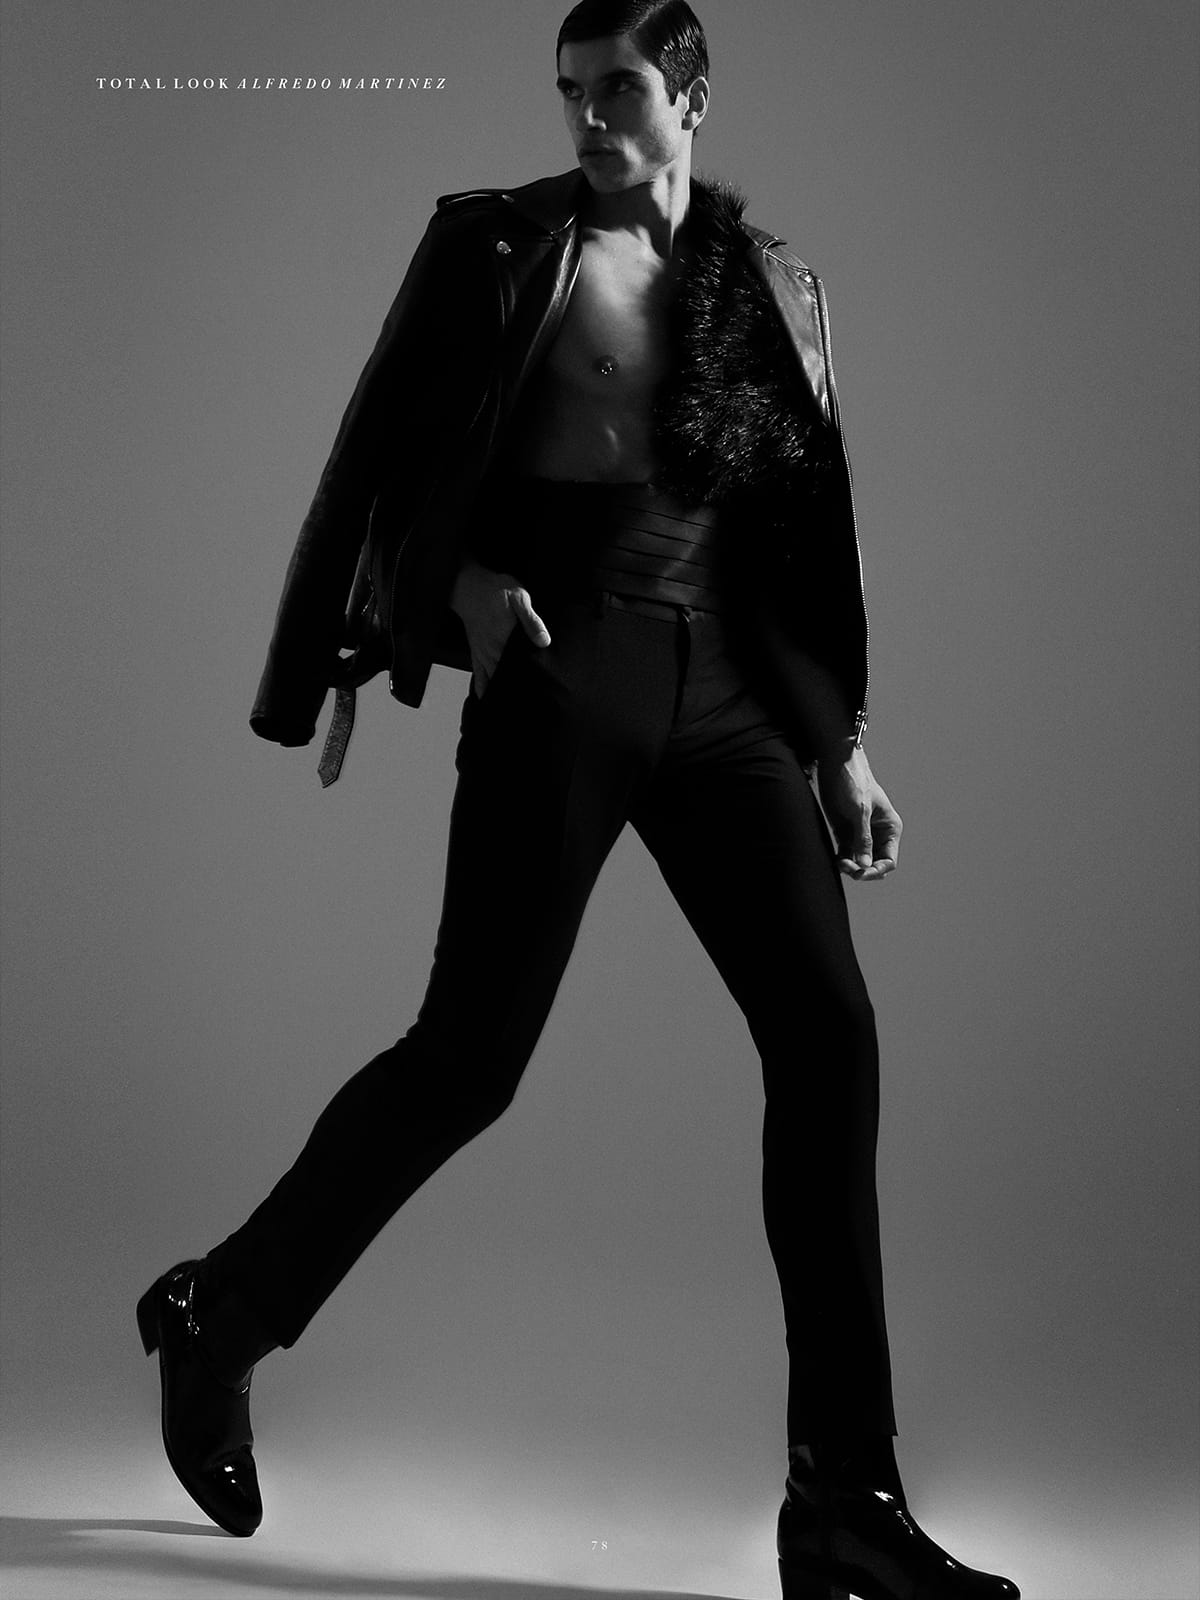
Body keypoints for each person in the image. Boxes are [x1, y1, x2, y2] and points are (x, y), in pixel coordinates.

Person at [136, 4, 1020, 1596]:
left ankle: (844, 1496)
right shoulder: (501, 249)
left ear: (693, 96)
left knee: (829, 1037)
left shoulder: (773, 289)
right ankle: (222, 1313)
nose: (588, 118)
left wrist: (840, 745)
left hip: (728, 688)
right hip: (566, 666)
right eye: (569, 92)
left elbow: (800, 538)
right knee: (470, 1058)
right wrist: (456, 589)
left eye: (618, 88)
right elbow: (375, 465)